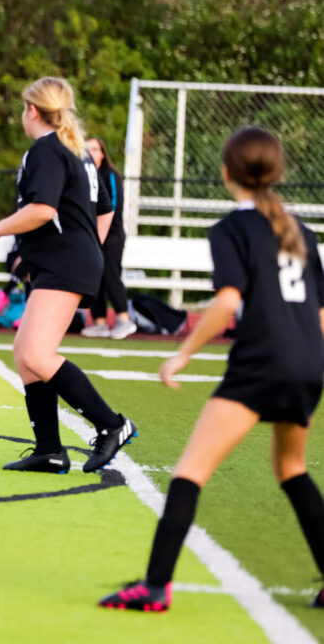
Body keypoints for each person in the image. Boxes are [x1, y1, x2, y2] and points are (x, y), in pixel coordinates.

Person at [101, 127, 324, 612]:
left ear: (226, 172)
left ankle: (155, 586)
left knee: (191, 472)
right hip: (309, 363)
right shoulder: (300, 229)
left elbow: (228, 301)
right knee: (291, 469)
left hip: (261, 363)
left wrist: (184, 353)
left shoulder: (231, 229)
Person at [0, 77, 136, 475]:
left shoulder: (48, 150)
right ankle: (49, 450)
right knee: (25, 354)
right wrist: (90, 249)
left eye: (22, 108)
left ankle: (112, 424)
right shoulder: (76, 150)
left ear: (31, 110)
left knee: (35, 354)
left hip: (65, 264)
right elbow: (104, 209)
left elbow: (43, 210)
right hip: (69, 261)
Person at [80, 135, 136, 340]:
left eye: (94, 149)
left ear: (102, 153)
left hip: (111, 237)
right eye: (86, 149)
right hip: (92, 236)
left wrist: (100, 228)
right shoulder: (83, 175)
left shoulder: (110, 175)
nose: (90, 153)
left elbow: (112, 207)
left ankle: (123, 319)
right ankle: (99, 322)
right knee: (94, 279)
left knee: (112, 276)